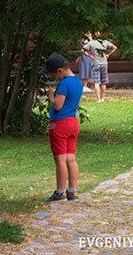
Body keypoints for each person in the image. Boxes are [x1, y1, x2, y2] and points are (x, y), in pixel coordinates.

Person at [41, 53, 83, 202]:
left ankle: (60, 192)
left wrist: (51, 95)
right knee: (71, 158)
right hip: (72, 122)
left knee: (60, 160)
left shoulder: (64, 84)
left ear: (59, 70)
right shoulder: (77, 81)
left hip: (59, 124)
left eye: (52, 74)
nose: (53, 78)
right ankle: (73, 191)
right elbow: (77, 104)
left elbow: (58, 105)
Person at [87, 31, 117, 103]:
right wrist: (108, 54)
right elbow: (115, 47)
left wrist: (90, 55)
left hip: (96, 63)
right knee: (104, 82)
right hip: (104, 63)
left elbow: (83, 50)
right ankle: (102, 98)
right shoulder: (105, 42)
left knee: (97, 82)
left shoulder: (92, 43)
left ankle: (98, 99)